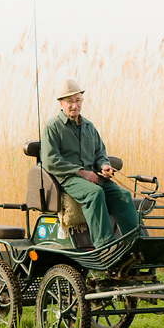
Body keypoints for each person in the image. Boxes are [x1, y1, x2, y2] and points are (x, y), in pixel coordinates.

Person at [41, 79, 139, 248]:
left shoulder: (88, 126)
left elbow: (100, 153)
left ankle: (135, 243)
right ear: (61, 103)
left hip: (92, 176)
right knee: (95, 193)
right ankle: (105, 246)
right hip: (68, 179)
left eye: (77, 100)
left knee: (123, 195)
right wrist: (80, 172)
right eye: (70, 102)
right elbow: (50, 161)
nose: (74, 105)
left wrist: (104, 165)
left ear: (82, 101)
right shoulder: (53, 127)